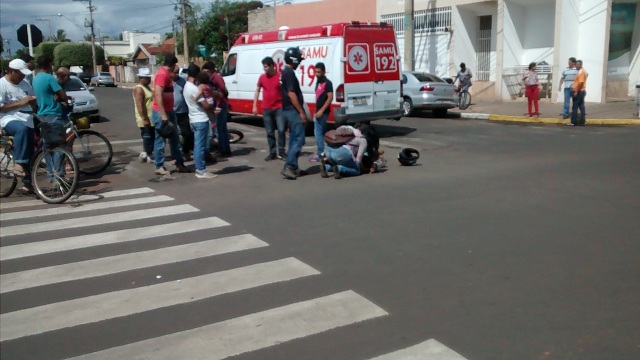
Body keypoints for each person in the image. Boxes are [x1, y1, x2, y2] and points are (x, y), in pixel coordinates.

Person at [0, 59, 37, 192]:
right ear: (11, 72)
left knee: (31, 152)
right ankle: (19, 163)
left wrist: (33, 102)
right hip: (9, 119)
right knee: (20, 129)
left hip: (28, 119)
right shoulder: (2, 84)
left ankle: (27, 184)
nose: (22, 76)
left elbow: (32, 102)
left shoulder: (25, 84)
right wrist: (21, 103)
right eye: (20, 73)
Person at [151, 53, 189, 175]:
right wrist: (163, 114)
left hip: (169, 111)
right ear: (172, 65)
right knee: (160, 139)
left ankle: (179, 163)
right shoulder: (162, 75)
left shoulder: (166, 74)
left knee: (175, 138)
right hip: (161, 112)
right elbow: (158, 94)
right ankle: (159, 165)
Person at [183, 64, 218, 179]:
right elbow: (204, 105)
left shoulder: (187, 86)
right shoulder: (194, 88)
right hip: (200, 118)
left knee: (199, 144)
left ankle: (200, 168)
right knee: (200, 145)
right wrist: (212, 109)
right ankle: (201, 169)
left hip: (193, 117)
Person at [279, 47, 308, 179]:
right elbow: (292, 94)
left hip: (288, 109)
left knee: (293, 138)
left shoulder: (285, 72)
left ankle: (294, 167)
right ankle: (289, 166)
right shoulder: (289, 73)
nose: (300, 63)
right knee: (299, 138)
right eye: (299, 60)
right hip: (292, 110)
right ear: (294, 60)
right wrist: (301, 112)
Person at [253, 56, 286, 162]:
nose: (264, 69)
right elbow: (257, 90)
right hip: (266, 108)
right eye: (264, 67)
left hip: (279, 107)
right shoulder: (262, 77)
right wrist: (254, 105)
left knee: (281, 130)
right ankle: (272, 152)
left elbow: (286, 91)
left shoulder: (280, 76)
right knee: (269, 131)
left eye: (266, 66)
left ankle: (281, 151)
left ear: (272, 66)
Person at [201, 61, 231, 157]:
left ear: (211, 71)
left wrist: (218, 103)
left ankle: (223, 149)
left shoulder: (217, 78)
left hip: (221, 104)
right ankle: (225, 148)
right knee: (222, 128)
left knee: (220, 128)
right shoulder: (210, 79)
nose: (205, 74)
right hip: (217, 104)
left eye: (206, 72)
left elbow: (223, 91)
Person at [309, 62, 333, 163]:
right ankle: (324, 152)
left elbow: (330, 97)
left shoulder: (327, 83)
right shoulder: (318, 82)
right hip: (318, 111)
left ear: (323, 71)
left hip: (323, 112)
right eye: (315, 72)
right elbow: (318, 98)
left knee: (318, 132)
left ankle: (320, 153)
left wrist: (321, 110)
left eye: (319, 72)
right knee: (320, 132)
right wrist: (315, 110)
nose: (316, 74)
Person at [133, 67, 155, 163]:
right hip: (145, 118)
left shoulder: (147, 87)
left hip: (151, 116)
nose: (149, 79)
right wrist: (144, 118)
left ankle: (144, 153)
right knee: (147, 136)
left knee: (150, 136)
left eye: (149, 77)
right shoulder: (139, 89)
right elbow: (139, 105)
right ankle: (148, 154)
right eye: (147, 78)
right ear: (141, 78)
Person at [172, 66, 193, 161]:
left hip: (183, 112)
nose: (176, 74)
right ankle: (176, 155)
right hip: (171, 112)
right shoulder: (166, 82)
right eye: (174, 72)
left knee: (187, 134)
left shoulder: (183, 80)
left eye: (177, 72)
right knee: (173, 135)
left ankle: (186, 151)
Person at [570, 60, 587, 126]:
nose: (575, 66)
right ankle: (582, 121)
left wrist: (576, 91)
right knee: (581, 107)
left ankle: (573, 122)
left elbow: (580, 82)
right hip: (581, 91)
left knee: (575, 107)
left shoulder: (581, 72)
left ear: (580, 65)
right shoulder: (582, 71)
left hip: (579, 91)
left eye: (577, 64)